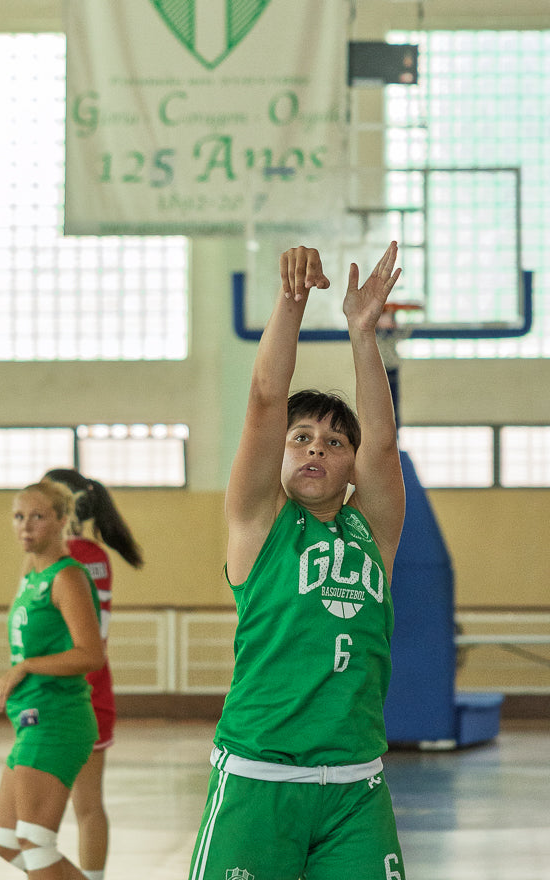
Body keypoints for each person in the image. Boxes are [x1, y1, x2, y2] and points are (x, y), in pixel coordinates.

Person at [187, 242, 408, 880]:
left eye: (335, 442)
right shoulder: (260, 522)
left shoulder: (374, 532)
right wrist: (293, 301)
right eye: (302, 438)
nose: (317, 449)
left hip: (356, 787)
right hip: (260, 777)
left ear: (350, 464)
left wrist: (363, 334)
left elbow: (385, 442)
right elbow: (263, 399)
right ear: (281, 456)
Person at [0, 478, 105, 880]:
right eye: (19, 516)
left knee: (35, 843)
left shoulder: (67, 577)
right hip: (29, 721)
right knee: (5, 840)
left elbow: (90, 654)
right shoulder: (32, 578)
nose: (25, 526)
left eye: (38, 517)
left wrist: (26, 666)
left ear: (61, 520)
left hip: (57, 719)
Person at [43, 467, 145, 880]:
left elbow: (46, 635)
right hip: (94, 691)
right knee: (88, 806)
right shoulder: (96, 556)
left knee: (35, 819)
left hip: (60, 693)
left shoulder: (60, 561)